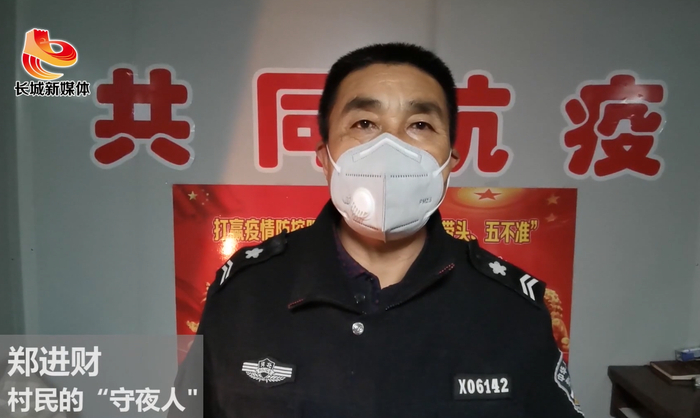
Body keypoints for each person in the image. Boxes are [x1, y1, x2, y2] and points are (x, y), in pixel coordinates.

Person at [172, 42, 584, 418]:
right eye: (365, 123)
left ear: (449, 161)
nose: (390, 148)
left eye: (419, 125)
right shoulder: (245, 295)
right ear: (325, 158)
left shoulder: (511, 310)